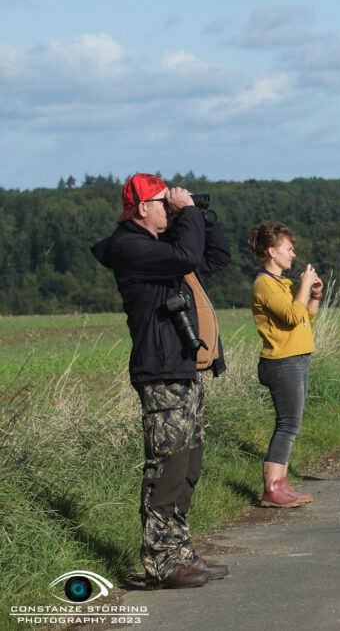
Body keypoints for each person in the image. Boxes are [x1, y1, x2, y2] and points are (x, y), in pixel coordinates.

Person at [91, 173, 230, 589]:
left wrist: (201, 215)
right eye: (161, 200)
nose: (168, 206)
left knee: (187, 466)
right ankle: (161, 560)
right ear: (142, 208)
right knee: (166, 465)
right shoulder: (130, 248)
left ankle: (180, 551)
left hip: (182, 368)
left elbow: (215, 257)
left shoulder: (159, 248)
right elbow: (188, 255)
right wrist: (186, 212)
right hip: (160, 369)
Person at [249, 223, 323, 508]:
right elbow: (292, 317)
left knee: (292, 423)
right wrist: (304, 285)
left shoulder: (282, 283)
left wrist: (313, 295)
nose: (293, 255)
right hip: (281, 361)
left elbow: (305, 318)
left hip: (297, 358)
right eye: (288, 249)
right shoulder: (264, 284)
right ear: (272, 251)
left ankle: (280, 482)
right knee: (288, 423)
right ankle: (272, 487)